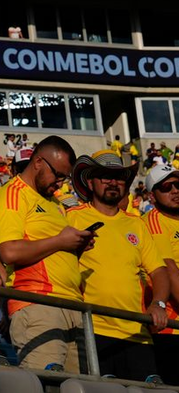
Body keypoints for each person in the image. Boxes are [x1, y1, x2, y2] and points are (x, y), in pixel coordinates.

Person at [0, 136, 93, 372]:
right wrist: (60, 241)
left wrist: (76, 245)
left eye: (65, 178)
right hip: (38, 304)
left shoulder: (54, 202)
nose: (61, 184)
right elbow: (8, 251)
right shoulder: (13, 193)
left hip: (71, 305)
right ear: (38, 162)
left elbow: (51, 250)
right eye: (58, 175)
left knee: (80, 386)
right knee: (48, 384)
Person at [68, 149, 168, 382]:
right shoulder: (72, 217)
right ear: (90, 182)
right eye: (105, 176)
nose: (113, 182)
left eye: (119, 177)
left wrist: (158, 303)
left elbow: (158, 270)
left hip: (137, 334)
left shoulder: (136, 223)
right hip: (92, 330)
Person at [145, 166, 179, 385]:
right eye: (166, 186)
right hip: (170, 329)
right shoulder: (154, 220)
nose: (175, 190)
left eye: (178, 185)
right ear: (152, 196)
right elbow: (168, 270)